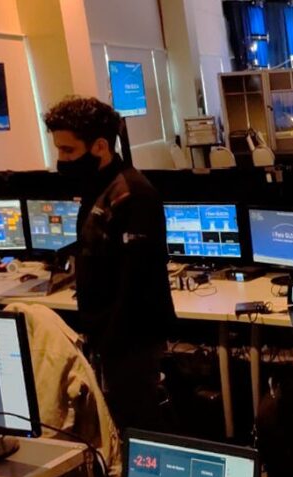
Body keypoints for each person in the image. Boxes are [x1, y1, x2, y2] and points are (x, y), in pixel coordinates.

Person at [43, 97, 175, 431]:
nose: (61, 160)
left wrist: (109, 344)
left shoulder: (133, 193)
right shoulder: (98, 188)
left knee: (135, 424)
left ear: (100, 146)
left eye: (69, 150)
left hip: (130, 338)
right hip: (106, 335)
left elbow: (136, 281)